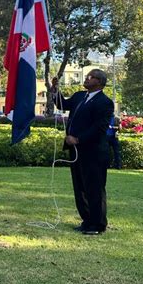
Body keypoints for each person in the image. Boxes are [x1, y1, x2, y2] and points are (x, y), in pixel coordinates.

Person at [51, 70, 114, 235]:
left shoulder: (104, 102)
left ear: (99, 82)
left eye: (91, 77)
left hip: (94, 152)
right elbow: (62, 105)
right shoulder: (79, 96)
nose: (87, 78)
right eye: (87, 76)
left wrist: (78, 139)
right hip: (76, 152)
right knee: (80, 187)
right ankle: (87, 220)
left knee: (94, 187)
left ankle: (98, 224)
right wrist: (55, 90)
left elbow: (99, 128)